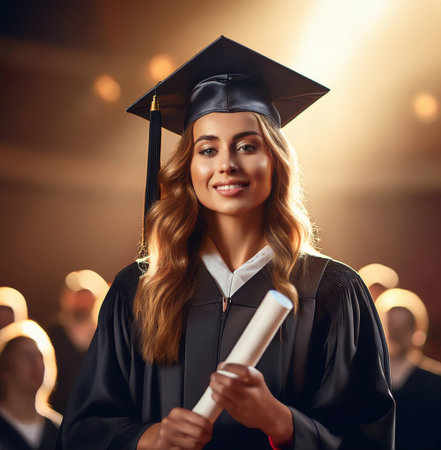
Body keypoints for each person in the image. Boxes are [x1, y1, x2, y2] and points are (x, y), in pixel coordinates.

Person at [58, 36, 395, 449]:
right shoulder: (138, 290)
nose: (227, 164)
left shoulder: (331, 291)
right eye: (208, 148)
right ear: (189, 167)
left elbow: (369, 438)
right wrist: (149, 438)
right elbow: (80, 432)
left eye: (248, 146)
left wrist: (282, 422)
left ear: (275, 161)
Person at [377, 290, 441, 450]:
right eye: (392, 326)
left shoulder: (436, 382)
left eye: (402, 327)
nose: (396, 333)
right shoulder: (369, 378)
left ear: (415, 330)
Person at [47, 269, 109, 414]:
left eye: (87, 297)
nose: (83, 303)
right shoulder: (53, 335)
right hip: (59, 414)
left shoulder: (107, 335)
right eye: (78, 297)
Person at [0, 320, 60, 449]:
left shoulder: (60, 432)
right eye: (26, 356)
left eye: (40, 356)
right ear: (5, 367)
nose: (36, 363)